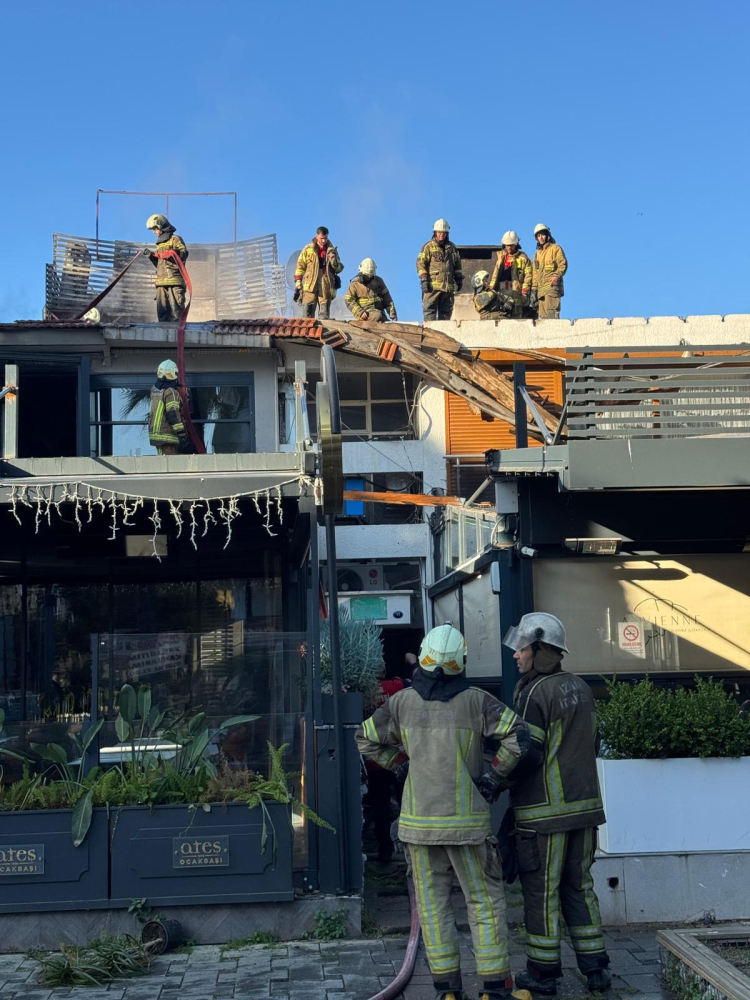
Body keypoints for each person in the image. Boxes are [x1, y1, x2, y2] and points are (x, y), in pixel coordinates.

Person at [356, 623, 533, 1000]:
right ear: (461, 662)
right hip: (468, 827)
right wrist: (492, 778)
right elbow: (520, 736)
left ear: (422, 659)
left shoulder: (401, 703)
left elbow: (365, 738)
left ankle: (447, 991)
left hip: (419, 829)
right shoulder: (477, 700)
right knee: (483, 903)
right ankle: (493, 989)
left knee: (433, 908)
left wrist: (400, 765)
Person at [501, 613, 611, 996]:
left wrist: (495, 779)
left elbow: (527, 753)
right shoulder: (581, 687)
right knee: (579, 887)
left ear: (541, 649)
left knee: (541, 891)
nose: (516, 655)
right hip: (585, 811)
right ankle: (596, 968)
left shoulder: (533, 693)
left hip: (542, 817)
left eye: (523, 648)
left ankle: (544, 973)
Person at [143, 214, 189, 322]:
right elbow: (160, 264)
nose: (153, 232)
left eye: (154, 229)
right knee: (162, 315)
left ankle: (177, 337)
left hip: (175, 282)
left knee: (176, 314)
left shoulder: (175, 239)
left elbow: (184, 254)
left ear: (160, 226)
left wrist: (173, 253)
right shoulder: (159, 245)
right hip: (161, 284)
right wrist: (151, 256)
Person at [416, 219, 463, 322]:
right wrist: (424, 279)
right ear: (435, 232)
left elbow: (457, 264)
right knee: (429, 314)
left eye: (444, 233)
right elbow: (420, 263)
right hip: (432, 288)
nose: (441, 235)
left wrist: (459, 277)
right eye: (439, 232)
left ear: (447, 233)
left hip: (448, 288)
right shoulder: (428, 246)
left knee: (445, 317)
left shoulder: (452, 248)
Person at [294, 226, 344, 319]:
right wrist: (298, 281)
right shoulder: (308, 249)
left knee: (324, 315)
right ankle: (307, 333)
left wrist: (333, 260)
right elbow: (300, 265)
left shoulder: (332, 251)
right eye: (322, 238)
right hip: (309, 285)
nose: (324, 241)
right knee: (307, 316)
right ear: (317, 236)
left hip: (325, 285)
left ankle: (322, 333)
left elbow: (339, 269)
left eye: (326, 238)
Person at [148, 359, 188, 455]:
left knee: (162, 461)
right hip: (167, 435)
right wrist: (181, 433)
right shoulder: (171, 392)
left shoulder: (154, 390)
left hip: (155, 434)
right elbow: (172, 413)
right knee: (170, 464)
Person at [490, 232, 532, 319]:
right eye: (507, 245)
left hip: (516, 291)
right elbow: (495, 274)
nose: (509, 247)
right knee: (501, 316)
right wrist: (491, 287)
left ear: (516, 244)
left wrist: (524, 292)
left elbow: (528, 276)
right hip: (501, 290)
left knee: (516, 315)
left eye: (511, 245)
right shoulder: (501, 257)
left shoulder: (523, 258)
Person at [531, 224, 567, 320]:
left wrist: (556, 276)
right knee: (543, 319)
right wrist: (534, 290)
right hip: (541, 291)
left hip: (552, 288)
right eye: (538, 236)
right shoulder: (537, 254)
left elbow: (562, 264)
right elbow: (535, 273)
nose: (541, 238)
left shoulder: (555, 249)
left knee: (552, 316)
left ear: (547, 235)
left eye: (542, 235)